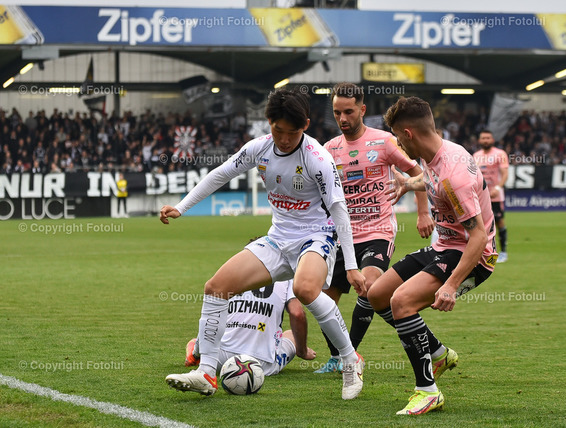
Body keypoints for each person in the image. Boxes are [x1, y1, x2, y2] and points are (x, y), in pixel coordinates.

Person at [162, 88, 366, 400]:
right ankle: (206, 373)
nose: (283, 139)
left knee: (305, 289)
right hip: (276, 239)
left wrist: (351, 266)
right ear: (269, 123)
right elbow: (220, 174)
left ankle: (350, 360)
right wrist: (181, 207)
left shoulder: (317, 158)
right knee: (216, 287)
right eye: (277, 130)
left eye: (292, 132)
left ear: (305, 125)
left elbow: (339, 210)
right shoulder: (259, 148)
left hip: (316, 237)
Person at [367, 96, 497, 416]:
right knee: (378, 294)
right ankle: (438, 353)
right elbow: (430, 180)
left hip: (472, 255)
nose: (398, 144)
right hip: (445, 246)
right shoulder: (437, 153)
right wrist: (409, 184)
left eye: (397, 137)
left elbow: (479, 236)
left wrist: (451, 285)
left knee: (402, 302)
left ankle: (427, 391)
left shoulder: (454, 174)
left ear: (408, 133)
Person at [314, 82, 432, 373]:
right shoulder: (330, 149)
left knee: (367, 288)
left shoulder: (383, 142)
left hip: (377, 232)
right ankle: (337, 356)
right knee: (322, 301)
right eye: (337, 113)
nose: (342, 118)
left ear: (362, 110)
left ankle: (350, 356)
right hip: (342, 236)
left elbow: (417, 171)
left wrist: (422, 213)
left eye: (349, 112)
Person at [184, 279, 316, 378]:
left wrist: (198, 352)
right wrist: (302, 351)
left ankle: (195, 352)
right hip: (262, 364)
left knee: (212, 323)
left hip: (220, 359)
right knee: (291, 335)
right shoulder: (287, 278)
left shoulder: (234, 271)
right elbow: (297, 314)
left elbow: (212, 317)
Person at [473, 129, 509, 263]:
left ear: (492, 140)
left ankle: (503, 252)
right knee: (480, 225)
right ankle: (484, 252)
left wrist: (498, 188)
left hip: (495, 196)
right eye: (483, 138)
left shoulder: (500, 154)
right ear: (479, 140)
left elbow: (505, 174)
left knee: (499, 222)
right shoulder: (476, 155)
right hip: (480, 196)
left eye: (488, 138)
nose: (486, 140)